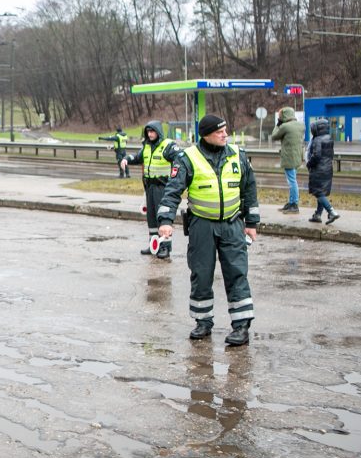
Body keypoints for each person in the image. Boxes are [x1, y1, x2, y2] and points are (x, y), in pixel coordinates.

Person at [157, 114, 259, 346]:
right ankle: (203, 321)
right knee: (201, 274)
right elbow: (173, 191)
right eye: (219, 132)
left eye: (225, 130)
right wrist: (165, 220)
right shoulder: (187, 159)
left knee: (237, 273)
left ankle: (241, 326)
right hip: (202, 225)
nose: (225, 134)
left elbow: (250, 189)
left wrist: (252, 223)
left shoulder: (238, 155)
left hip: (233, 224)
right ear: (206, 135)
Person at [120, 121, 182, 259]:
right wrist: (125, 159)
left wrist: (176, 175)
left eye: (152, 131)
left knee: (163, 218)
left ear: (158, 132)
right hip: (150, 187)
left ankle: (165, 247)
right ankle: (154, 244)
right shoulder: (147, 147)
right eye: (148, 132)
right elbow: (137, 157)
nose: (150, 134)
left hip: (163, 187)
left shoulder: (168, 146)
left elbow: (181, 158)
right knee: (151, 218)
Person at [270, 106, 305, 214]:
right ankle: (291, 202)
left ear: (284, 116)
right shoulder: (301, 125)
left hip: (289, 157)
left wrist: (278, 124)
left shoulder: (285, 127)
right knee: (293, 180)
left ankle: (294, 204)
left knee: (292, 182)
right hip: (297, 156)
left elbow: (274, 136)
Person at [306, 119, 341, 225]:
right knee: (321, 191)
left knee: (318, 192)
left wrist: (309, 164)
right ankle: (317, 215)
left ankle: (331, 211)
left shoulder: (317, 140)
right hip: (328, 169)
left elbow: (316, 155)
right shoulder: (329, 138)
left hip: (318, 170)